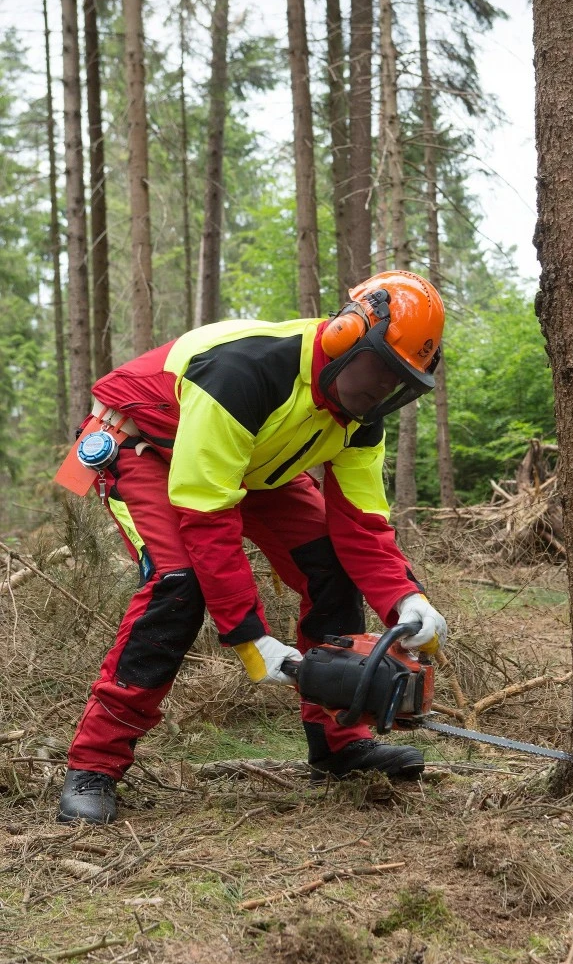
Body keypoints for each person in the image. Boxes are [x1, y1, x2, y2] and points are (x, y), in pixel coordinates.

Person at [58, 270, 449, 824]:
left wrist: (407, 601)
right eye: (381, 369)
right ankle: (93, 763)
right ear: (345, 335)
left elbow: (362, 524)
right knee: (179, 585)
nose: (382, 389)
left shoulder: (361, 416)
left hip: (249, 464)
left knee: (331, 567)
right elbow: (207, 515)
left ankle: (339, 745)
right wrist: (250, 638)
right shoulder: (245, 372)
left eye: (399, 380)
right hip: (145, 444)